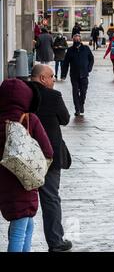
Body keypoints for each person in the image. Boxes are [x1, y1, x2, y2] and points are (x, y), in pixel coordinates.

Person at [0, 78, 53, 252]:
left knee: (26, 224)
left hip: (4, 182)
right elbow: (48, 151)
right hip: (25, 181)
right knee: (19, 230)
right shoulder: (30, 120)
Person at [29, 65, 73, 252]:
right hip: (49, 156)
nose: (53, 79)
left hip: (25, 155)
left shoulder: (23, 95)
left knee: (23, 201)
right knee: (50, 198)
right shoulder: (53, 97)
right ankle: (55, 241)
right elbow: (64, 119)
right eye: (51, 76)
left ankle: (21, 244)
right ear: (41, 78)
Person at [61, 34, 94, 117]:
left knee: (83, 92)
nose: (76, 41)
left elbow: (91, 59)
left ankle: (81, 104)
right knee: (75, 92)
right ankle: (77, 109)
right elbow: (65, 63)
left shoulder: (86, 49)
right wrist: (63, 74)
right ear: (73, 40)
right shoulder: (70, 50)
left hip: (84, 74)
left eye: (78, 40)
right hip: (74, 75)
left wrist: (89, 68)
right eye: (75, 40)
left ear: (80, 40)